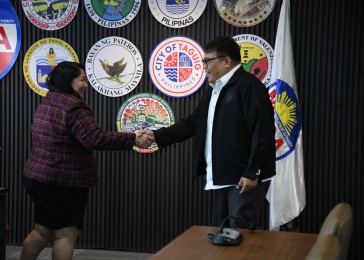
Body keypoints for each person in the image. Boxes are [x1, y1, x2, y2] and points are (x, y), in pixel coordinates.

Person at [20, 61, 153, 260]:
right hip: (62, 182)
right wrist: (133, 138)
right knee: (65, 234)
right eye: (82, 80)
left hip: (38, 177)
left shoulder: (50, 100)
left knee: (42, 230)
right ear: (68, 80)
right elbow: (94, 138)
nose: (85, 85)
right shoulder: (74, 106)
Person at [147, 36, 276, 229]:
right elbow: (194, 123)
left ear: (226, 61)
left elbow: (263, 133)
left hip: (242, 177)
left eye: (207, 61)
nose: (204, 67)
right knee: (223, 233)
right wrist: (156, 136)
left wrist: (252, 172)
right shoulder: (213, 89)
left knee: (239, 233)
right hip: (221, 174)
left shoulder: (250, 86)